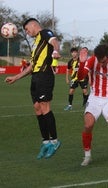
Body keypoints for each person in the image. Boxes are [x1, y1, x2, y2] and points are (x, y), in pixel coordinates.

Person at [5, 18, 61, 159]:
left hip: (45, 76)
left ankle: (54, 140)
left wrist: (55, 51)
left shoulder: (45, 33)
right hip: (35, 78)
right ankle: (46, 141)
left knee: (44, 106)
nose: (26, 32)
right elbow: (31, 66)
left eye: (27, 29)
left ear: (34, 25)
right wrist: (16, 77)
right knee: (37, 108)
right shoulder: (36, 42)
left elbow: (54, 41)